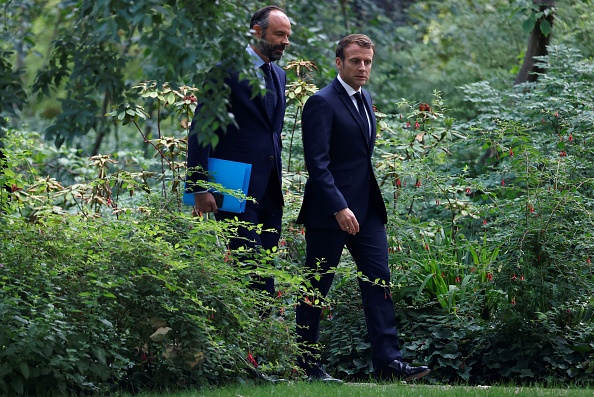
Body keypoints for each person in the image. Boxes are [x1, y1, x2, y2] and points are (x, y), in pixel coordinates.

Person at [295, 34, 431, 382]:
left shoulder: (365, 98)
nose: (363, 67)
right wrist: (339, 207)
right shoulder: (321, 102)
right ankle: (305, 364)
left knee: (378, 280)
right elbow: (318, 164)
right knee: (316, 286)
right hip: (330, 211)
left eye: (367, 61)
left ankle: (389, 364)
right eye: (355, 61)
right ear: (338, 62)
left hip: (367, 209)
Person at [185, 5, 291, 298]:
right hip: (232, 187)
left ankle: (258, 335)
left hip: (270, 189)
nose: (285, 41)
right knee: (250, 265)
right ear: (256, 32)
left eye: (287, 35)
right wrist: (198, 186)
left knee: (266, 265)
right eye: (279, 34)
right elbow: (200, 132)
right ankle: (256, 334)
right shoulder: (224, 72)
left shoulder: (279, 75)